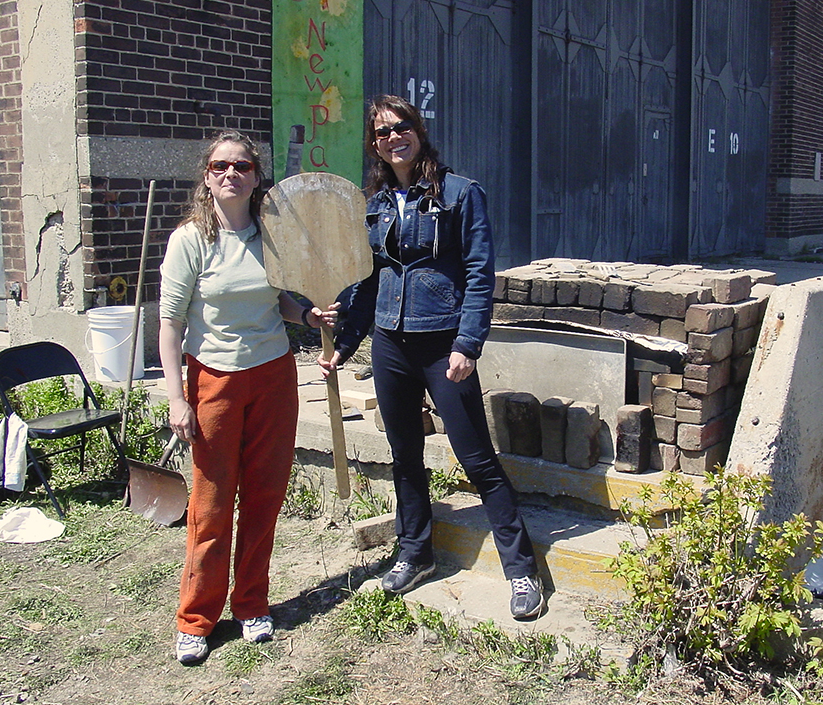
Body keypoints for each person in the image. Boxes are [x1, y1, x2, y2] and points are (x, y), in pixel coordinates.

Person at [318, 95, 545, 620]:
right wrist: (346, 344)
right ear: (374, 146)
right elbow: (367, 281)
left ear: (418, 131)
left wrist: (468, 344)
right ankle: (415, 553)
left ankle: (520, 569)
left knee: (477, 458)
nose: (393, 138)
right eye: (381, 133)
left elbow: (479, 273)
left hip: (443, 345)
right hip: (391, 345)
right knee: (405, 456)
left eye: (401, 128)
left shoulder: (461, 194)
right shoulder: (374, 205)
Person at [159, 130, 337, 664]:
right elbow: (169, 324)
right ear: (207, 176)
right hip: (214, 380)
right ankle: (196, 619)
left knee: (264, 497)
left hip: (274, 376)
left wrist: (305, 315)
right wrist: (177, 398)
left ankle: (252, 604)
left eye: (241, 165)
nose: (231, 173)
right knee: (211, 504)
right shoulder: (191, 240)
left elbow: (277, 296)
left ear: (256, 177)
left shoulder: (271, 235)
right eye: (220, 166)